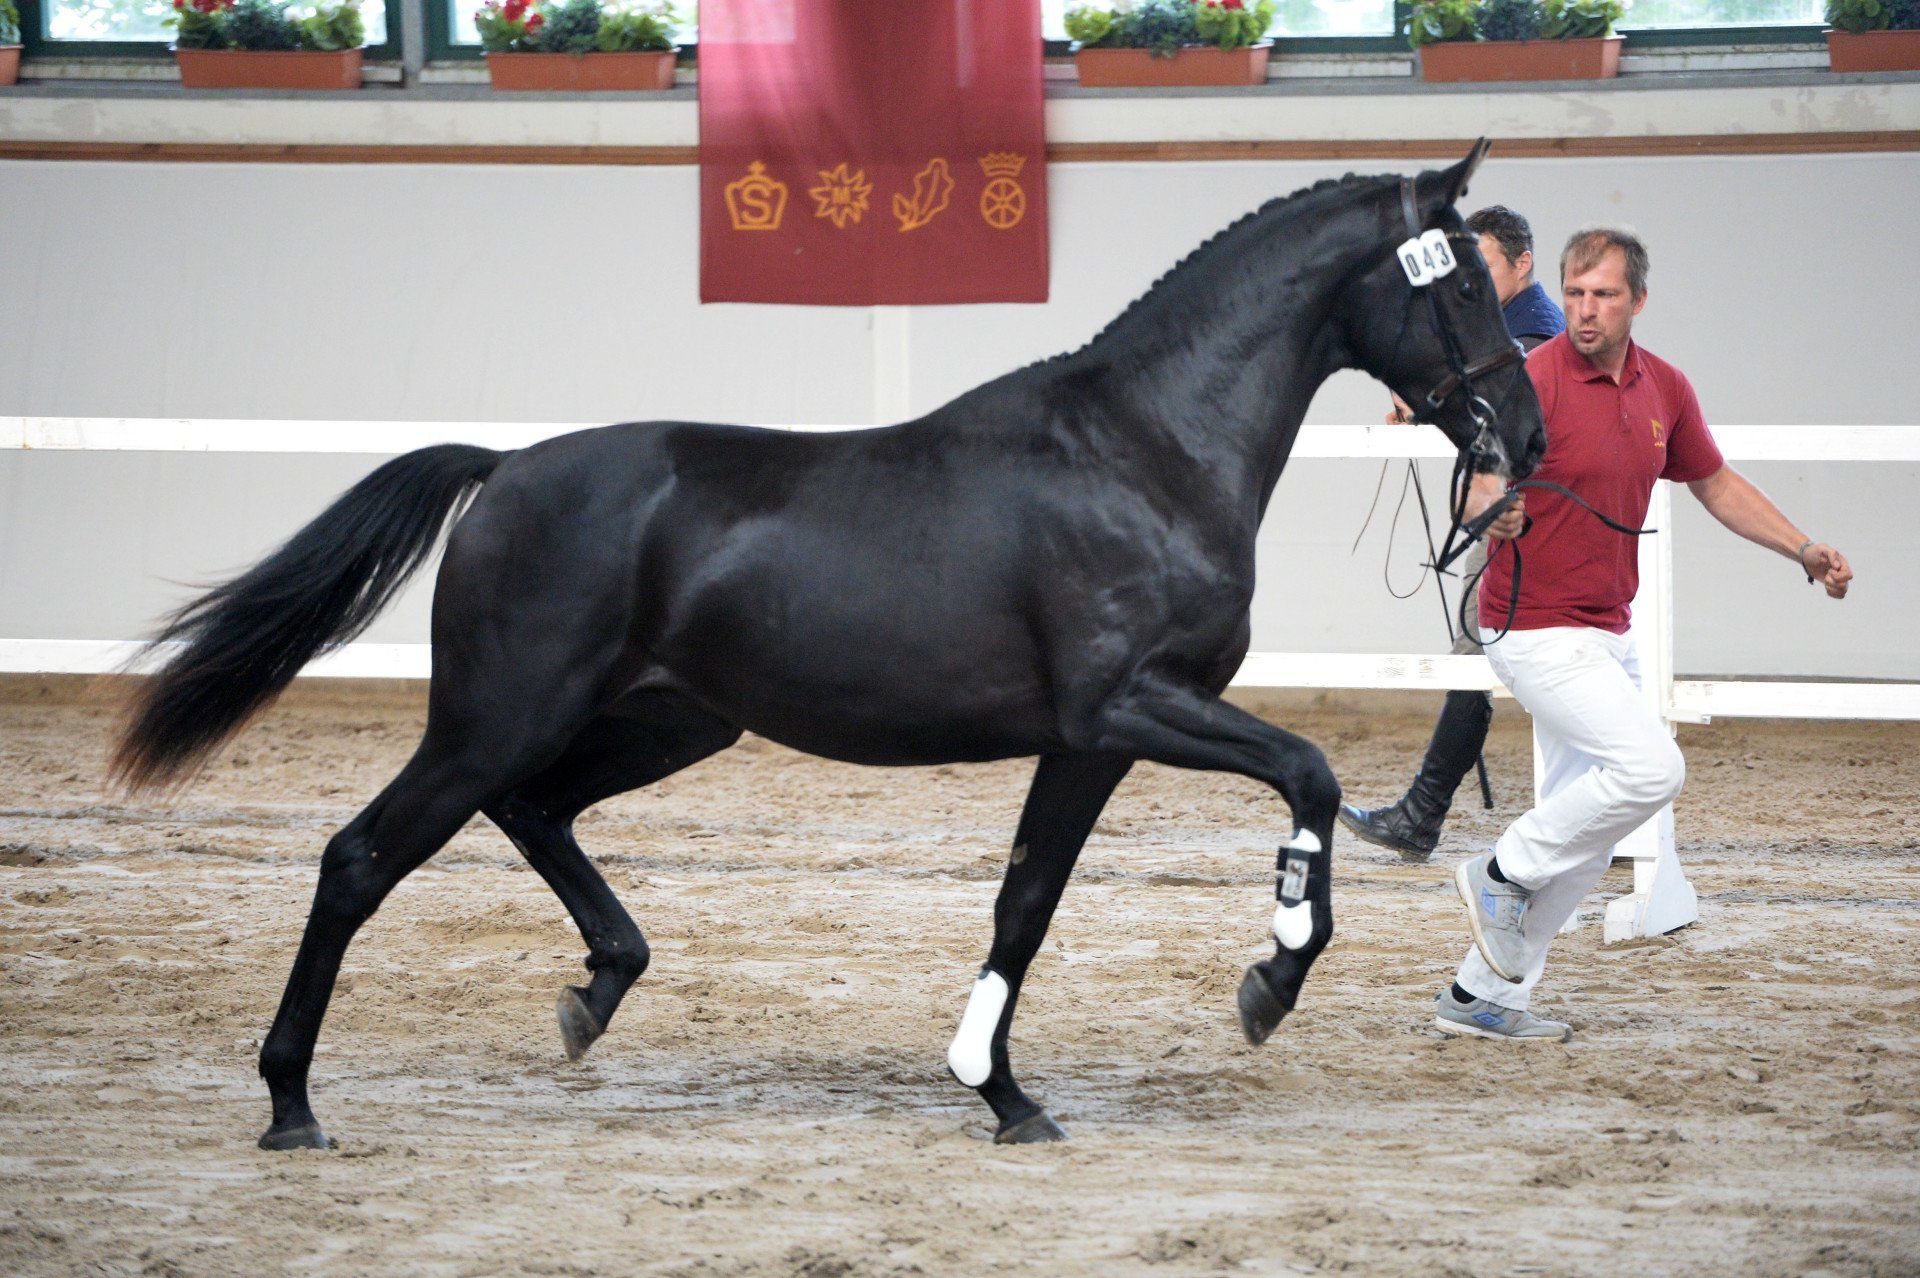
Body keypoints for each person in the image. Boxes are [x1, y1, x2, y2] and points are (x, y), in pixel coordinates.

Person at [1436, 225, 1854, 1041]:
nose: (1586, 311)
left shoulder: (1665, 387)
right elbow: (1474, 489)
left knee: (1586, 842)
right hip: (1531, 626)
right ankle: (1499, 871)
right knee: (1650, 767)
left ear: (1638, 302)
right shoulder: (1530, 380)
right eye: (1577, 292)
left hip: (1604, 634)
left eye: (1605, 295)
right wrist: (1495, 510)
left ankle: (1483, 999)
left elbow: (1716, 483)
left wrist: (1802, 549)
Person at [1341, 206, 1567, 861]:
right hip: (1513, 516)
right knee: (1486, 656)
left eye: (1487, 264)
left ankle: (1422, 815)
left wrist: (1431, 397)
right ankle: (1427, 813)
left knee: (1478, 655)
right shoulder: (1504, 326)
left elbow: (1504, 402)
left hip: (1525, 520)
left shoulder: (1537, 329)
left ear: (1522, 264)